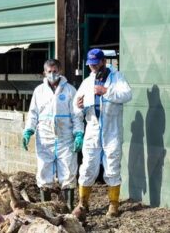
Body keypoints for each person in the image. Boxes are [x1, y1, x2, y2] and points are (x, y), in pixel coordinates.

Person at [75, 48, 133, 217]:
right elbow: (76, 105)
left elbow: (127, 94)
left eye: (95, 64)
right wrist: (78, 106)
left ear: (103, 62)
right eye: (90, 65)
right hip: (92, 128)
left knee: (112, 166)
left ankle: (113, 205)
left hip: (111, 130)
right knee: (87, 167)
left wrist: (106, 92)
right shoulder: (87, 82)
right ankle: (83, 203)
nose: (92, 68)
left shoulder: (117, 78)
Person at [22, 59, 84, 209]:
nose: (52, 74)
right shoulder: (39, 91)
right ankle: (46, 207)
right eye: (49, 71)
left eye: (55, 71)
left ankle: (68, 208)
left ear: (60, 71)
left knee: (68, 171)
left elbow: (76, 114)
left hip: (65, 137)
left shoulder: (70, 90)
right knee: (44, 171)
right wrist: (28, 130)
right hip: (45, 137)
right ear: (44, 73)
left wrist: (78, 134)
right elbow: (33, 113)